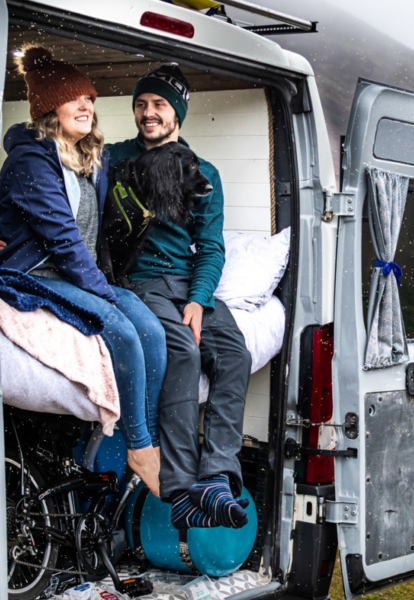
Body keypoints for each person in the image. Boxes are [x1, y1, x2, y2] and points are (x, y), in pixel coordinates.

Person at [0, 45, 166, 497]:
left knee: (151, 330)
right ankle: (139, 445)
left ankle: (144, 436)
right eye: (76, 99)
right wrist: (106, 295)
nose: (87, 106)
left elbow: (98, 234)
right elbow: (64, 242)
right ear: (50, 108)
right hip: (35, 273)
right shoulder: (30, 161)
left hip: (78, 273)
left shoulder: (90, 158)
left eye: (90, 99)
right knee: (121, 330)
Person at [108, 65, 252, 530]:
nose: (148, 113)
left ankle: (216, 477)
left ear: (178, 114)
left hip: (186, 283)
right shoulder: (113, 160)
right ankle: (183, 482)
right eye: (142, 104)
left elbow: (211, 248)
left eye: (160, 105)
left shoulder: (201, 172)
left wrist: (199, 299)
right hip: (142, 281)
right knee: (183, 352)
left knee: (234, 355)